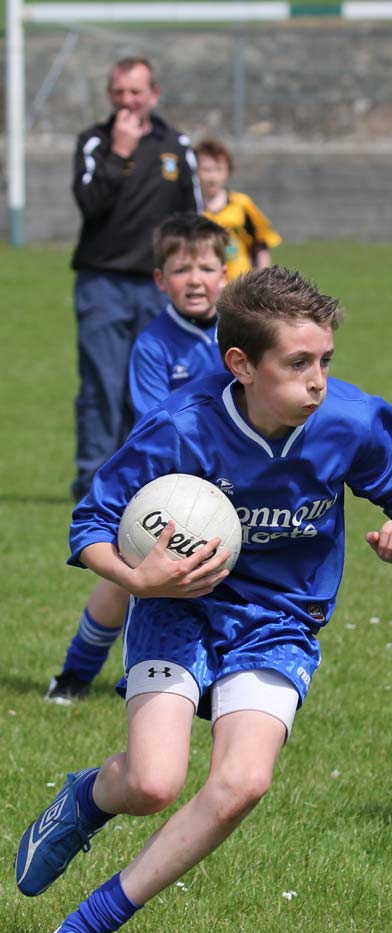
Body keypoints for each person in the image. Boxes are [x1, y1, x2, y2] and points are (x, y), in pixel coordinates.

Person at [17, 266, 392, 933]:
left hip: (278, 620)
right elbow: (91, 522)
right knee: (152, 783)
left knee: (241, 782)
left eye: (325, 361)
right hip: (179, 610)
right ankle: (83, 800)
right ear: (240, 364)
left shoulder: (352, 421)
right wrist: (138, 578)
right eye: (298, 363)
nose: (318, 382)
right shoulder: (181, 427)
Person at [46, 213, 228, 704]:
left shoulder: (239, 337)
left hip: (231, 482)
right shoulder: (152, 344)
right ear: (160, 280)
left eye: (207, 268)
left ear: (225, 275)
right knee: (127, 578)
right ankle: (74, 673)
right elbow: (156, 419)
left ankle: (216, 680)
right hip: (161, 480)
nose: (195, 280)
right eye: (182, 269)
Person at [71, 56, 202, 503]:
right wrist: (120, 154)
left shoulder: (175, 144)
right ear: (110, 94)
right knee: (102, 385)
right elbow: (89, 203)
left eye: (136, 92)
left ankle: (146, 477)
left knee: (155, 387)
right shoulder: (95, 142)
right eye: (119, 92)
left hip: (159, 288)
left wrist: (195, 273)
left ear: (154, 94)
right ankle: (93, 480)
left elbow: (195, 219)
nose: (127, 101)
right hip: (102, 283)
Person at [195, 138, 282, 280]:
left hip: (240, 284)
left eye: (218, 169)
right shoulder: (191, 208)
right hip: (206, 285)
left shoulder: (242, 204)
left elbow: (261, 243)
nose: (212, 177)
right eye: (206, 170)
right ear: (195, 172)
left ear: (228, 172)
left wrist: (262, 280)